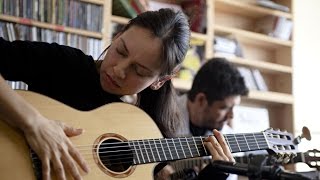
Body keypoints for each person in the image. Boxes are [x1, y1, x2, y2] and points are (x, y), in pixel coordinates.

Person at [0, 9, 232, 180]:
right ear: (118, 35)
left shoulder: (148, 130)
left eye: (139, 71)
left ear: (160, 81)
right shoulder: (65, 64)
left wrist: (216, 174)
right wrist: (34, 123)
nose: (118, 70)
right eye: (121, 50)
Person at [155, 57, 249, 179]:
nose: (231, 116)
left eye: (233, 107)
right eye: (224, 107)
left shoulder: (229, 142)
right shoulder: (157, 115)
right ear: (201, 100)